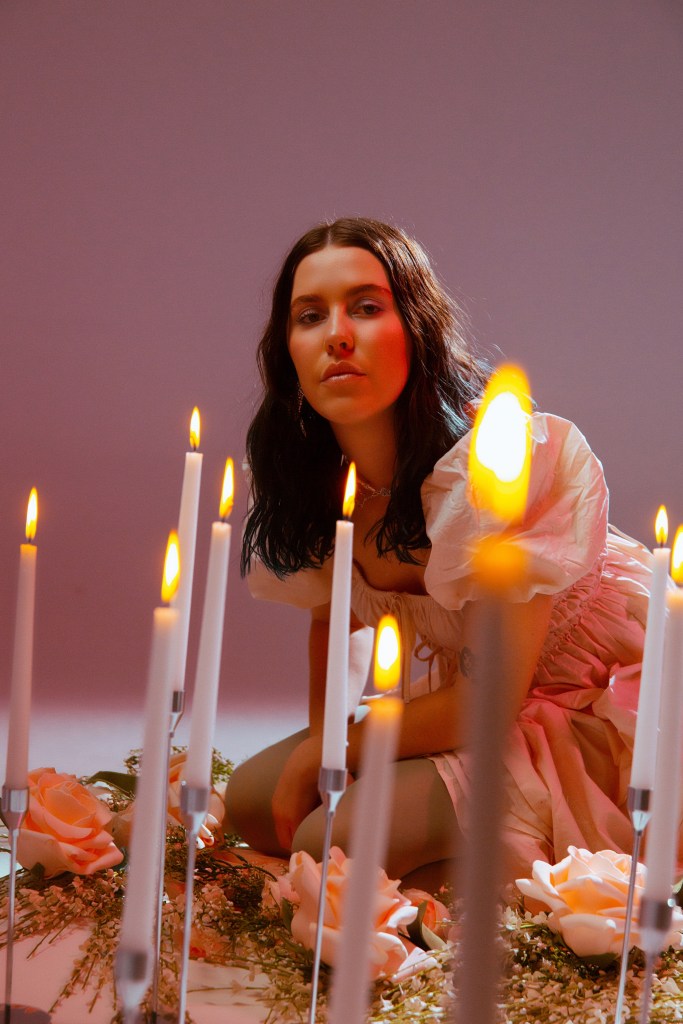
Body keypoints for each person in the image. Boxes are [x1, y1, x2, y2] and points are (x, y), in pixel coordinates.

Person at [224, 216, 652, 892]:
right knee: (253, 802)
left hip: (575, 708)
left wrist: (339, 754)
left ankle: (521, 885)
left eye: (367, 308)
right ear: (287, 350)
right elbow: (331, 622)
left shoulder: (489, 474)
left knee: (331, 841)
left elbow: (492, 699)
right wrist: (325, 750)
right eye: (310, 316)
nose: (338, 335)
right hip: (464, 701)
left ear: (416, 328)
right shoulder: (316, 483)